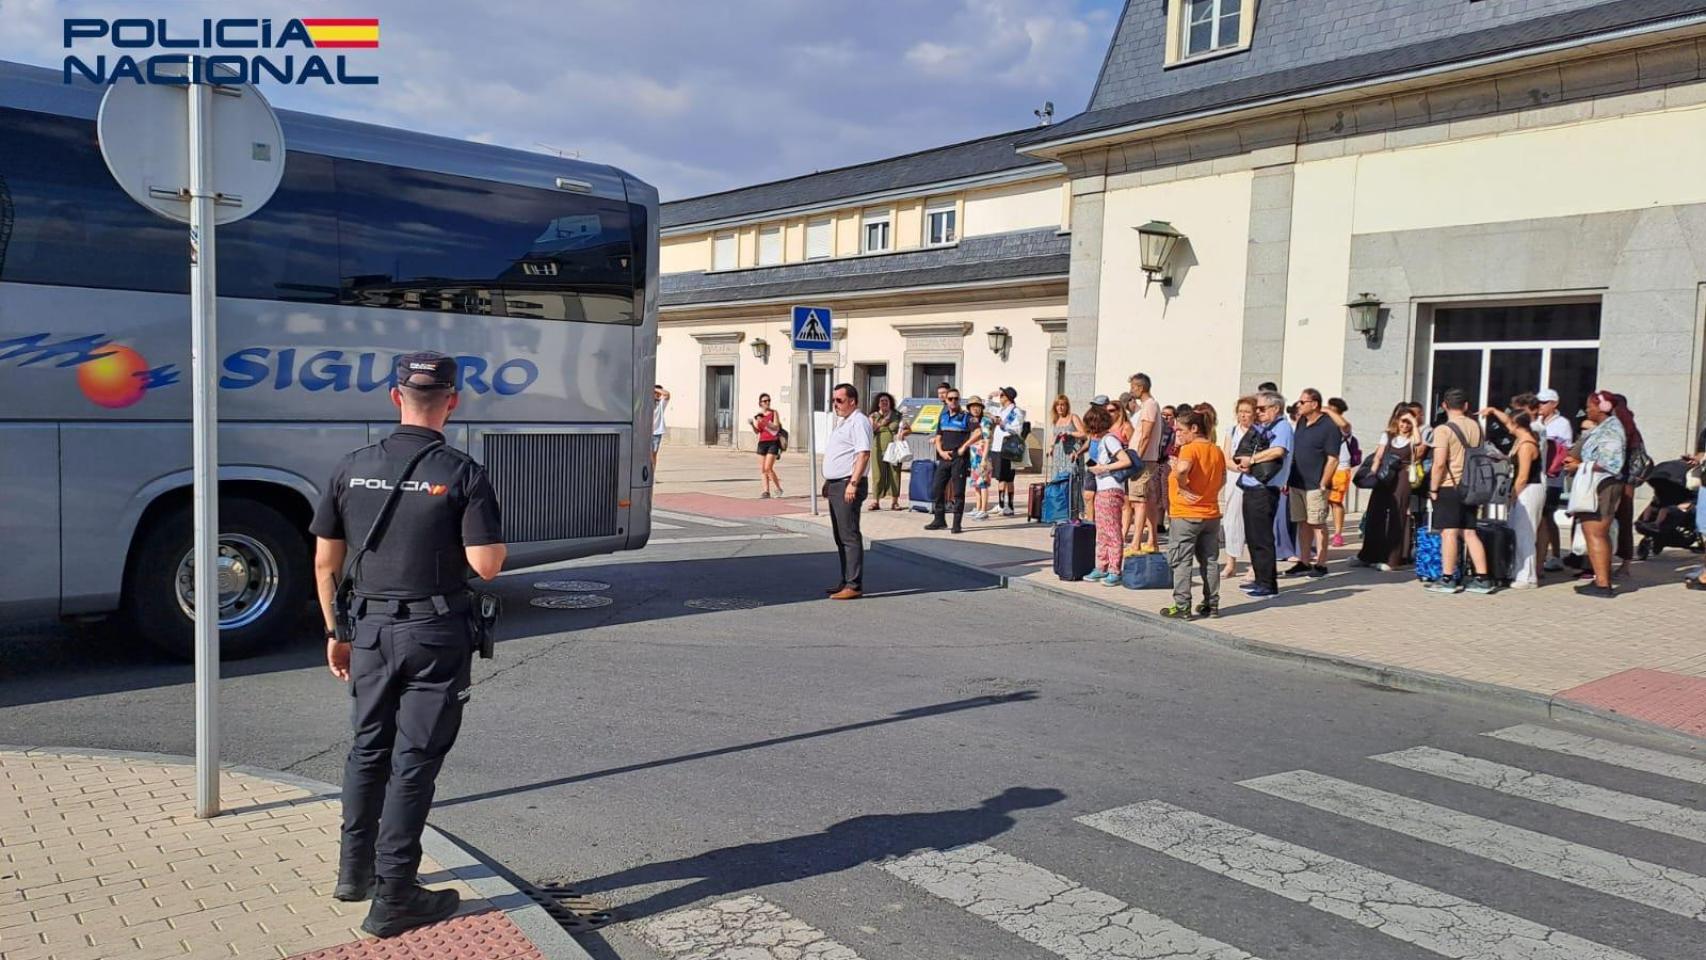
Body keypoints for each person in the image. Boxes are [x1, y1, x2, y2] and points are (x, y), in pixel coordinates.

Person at [310, 352, 506, 938]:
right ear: (453, 401)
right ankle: (395, 896)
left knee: (367, 747)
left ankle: (354, 872)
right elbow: (487, 565)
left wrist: (335, 633)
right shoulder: (463, 471)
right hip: (434, 633)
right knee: (414, 761)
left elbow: (325, 563)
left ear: (395, 398)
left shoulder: (351, 468)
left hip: (367, 630)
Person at [1427, 388, 1494, 595]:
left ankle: (1448, 578)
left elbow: (1439, 463)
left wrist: (1433, 488)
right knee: (1470, 532)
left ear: (1444, 406)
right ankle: (1482, 578)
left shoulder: (1443, 430)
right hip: (1472, 484)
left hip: (1450, 484)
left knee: (1449, 532)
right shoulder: (1476, 427)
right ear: (1466, 406)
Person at [1160, 410, 1226, 619]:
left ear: (1194, 429)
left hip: (1186, 515)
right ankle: (1211, 604)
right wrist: (1209, 493)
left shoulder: (1189, 449)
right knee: (1210, 560)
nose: (1177, 433)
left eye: (1181, 429)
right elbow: (1223, 477)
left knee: (1182, 561)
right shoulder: (1216, 450)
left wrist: (1182, 486)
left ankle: (1182, 606)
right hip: (1211, 514)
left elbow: (1182, 470)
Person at [1564, 390, 1629, 597]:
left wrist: (1580, 465)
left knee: (1596, 534)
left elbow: (1612, 462)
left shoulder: (1611, 430)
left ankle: (1603, 584)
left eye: (1589, 406)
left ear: (1602, 408)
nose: (1586, 410)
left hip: (1603, 487)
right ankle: (1601, 580)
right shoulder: (1604, 427)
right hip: (1598, 485)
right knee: (1594, 534)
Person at [1233, 391, 1292, 599]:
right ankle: (1259, 579)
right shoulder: (1264, 427)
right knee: (1253, 537)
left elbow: (1278, 451)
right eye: (1256, 409)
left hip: (1264, 490)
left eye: (1261, 408)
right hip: (1251, 487)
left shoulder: (1282, 426)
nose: (1258, 412)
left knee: (1262, 538)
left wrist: (1253, 459)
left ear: (1275, 408)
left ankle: (1268, 584)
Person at [1483, 402, 1543, 587]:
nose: (1507, 428)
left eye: (1510, 425)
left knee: (1525, 532)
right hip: (1523, 489)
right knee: (1517, 531)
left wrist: (1513, 496)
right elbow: (1508, 419)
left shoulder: (1526, 445)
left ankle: (1528, 576)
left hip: (1528, 490)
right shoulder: (1522, 439)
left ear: (1517, 426)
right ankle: (1518, 570)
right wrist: (1493, 411)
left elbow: (1523, 475)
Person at [822, 383, 873, 600]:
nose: (835, 405)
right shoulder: (844, 422)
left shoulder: (859, 421)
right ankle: (845, 579)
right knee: (839, 535)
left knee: (849, 535)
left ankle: (854, 584)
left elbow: (863, 454)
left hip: (848, 484)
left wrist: (853, 483)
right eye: (833, 401)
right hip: (836, 483)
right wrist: (828, 481)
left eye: (839, 401)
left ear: (852, 401)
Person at [1356, 404, 1420, 571]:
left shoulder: (1412, 438)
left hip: (1402, 477)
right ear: (1397, 421)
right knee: (1375, 513)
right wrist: (1372, 474)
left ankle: (1392, 558)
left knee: (1397, 516)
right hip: (1385, 475)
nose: (1405, 425)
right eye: (1402, 421)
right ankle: (1369, 555)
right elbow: (1378, 456)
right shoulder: (1388, 435)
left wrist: (1414, 421)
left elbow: (1419, 444)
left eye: (1408, 422)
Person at [1285, 388, 1340, 578]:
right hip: (1297, 482)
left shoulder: (1329, 427)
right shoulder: (1301, 422)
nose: (1298, 405)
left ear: (1314, 404)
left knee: (1317, 524)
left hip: (1316, 485)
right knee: (1302, 523)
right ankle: (1304, 561)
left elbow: (1333, 458)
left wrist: (1324, 482)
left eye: (1302, 402)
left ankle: (1321, 563)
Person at [1081, 405, 1132, 585]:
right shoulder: (1102, 440)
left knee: (1112, 530)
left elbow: (1125, 461)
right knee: (1102, 531)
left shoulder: (1110, 439)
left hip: (1111, 488)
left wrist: (1103, 468)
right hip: (1102, 487)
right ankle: (1101, 566)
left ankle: (1114, 569)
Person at [925, 388, 981, 534]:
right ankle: (939, 519)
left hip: (959, 459)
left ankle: (957, 524)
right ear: (946, 401)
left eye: (956, 398)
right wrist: (941, 451)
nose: (953, 401)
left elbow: (978, 433)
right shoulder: (943, 417)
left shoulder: (966, 417)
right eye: (950, 399)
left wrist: (964, 447)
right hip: (945, 457)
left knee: (958, 492)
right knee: (937, 488)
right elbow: (938, 437)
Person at [1535, 388, 1573, 573]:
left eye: (1544, 402)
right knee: (1541, 517)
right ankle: (1542, 555)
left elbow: (1562, 451)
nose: (1540, 406)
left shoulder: (1562, 424)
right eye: (1539, 402)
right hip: (1538, 476)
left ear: (1554, 404)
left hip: (1552, 479)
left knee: (1547, 516)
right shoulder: (1537, 422)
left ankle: (1555, 555)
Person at [1610, 393, 1646, 578]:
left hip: (1622, 480)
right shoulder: (1627, 424)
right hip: (1624, 480)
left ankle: (1623, 563)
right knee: (1621, 520)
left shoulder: (1621, 425)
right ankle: (1623, 563)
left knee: (1620, 519)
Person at [1127, 373, 1164, 554]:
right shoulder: (1149, 406)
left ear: (1140, 387)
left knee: (1139, 501)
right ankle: (1153, 541)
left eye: (1133, 386)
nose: (1131, 390)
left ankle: (1136, 543)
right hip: (1146, 459)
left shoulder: (1149, 406)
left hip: (1144, 460)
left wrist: (1137, 458)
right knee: (1148, 501)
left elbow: (1146, 434)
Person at [1219, 397, 1253, 581]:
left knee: (1253, 523)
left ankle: (1254, 565)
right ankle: (1230, 563)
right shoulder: (1231, 431)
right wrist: (1237, 467)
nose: (1243, 415)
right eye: (1241, 411)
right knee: (1231, 520)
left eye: (1247, 411)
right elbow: (1226, 457)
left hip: (1253, 479)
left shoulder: (1259, 433)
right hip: (1235, 478)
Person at [1323, 398, 1354, 547]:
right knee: (1321, 501)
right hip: (1323, 468)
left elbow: (1345, 425)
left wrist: (1328, 411)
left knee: (1335, 502)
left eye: (1331, 409)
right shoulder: (1324, 426)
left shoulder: (1343, 427)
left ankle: (1338, 533)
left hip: (1340, 468)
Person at [990, 387, 1026, 516]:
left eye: (1002, 395)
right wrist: (990, 396)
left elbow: (1017, 429)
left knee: (1008, 478)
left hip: (1008, 448)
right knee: (1000, 477)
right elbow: (987, 408)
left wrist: (1003, 424)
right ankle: (1000, 504)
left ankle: (1009, 506)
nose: (1000, 397)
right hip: (997, 447)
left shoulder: (1016, 411)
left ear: (1008, 397)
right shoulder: (1001, 410)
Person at [867, 392, 902, 512]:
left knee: (894, 474)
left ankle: (895, 501)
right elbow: (872, 429)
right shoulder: (873, 416)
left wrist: (902, 434)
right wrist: (883, 422)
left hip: (894, 447)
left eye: (886, 401)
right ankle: (875, 500)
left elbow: (906, 428)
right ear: (878, 403)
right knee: (878, 475)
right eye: (882, 401)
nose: (884, 403)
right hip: (878, 447)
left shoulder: (897, 415)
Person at [966, 398, 994, 520]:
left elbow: (987, 440)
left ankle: (983, 509)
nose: (975, 409)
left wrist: (984, 458)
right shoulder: (973, 421)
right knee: (976, 484)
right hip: (974, 457)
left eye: (978, 406)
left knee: (983, 484)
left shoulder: (985, 421)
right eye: (972, 407)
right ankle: (977, 507)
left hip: (982, 456)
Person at [752, 394, 784, 499]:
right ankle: (766, 491)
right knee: (763, 469)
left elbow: (776, 427)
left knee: (768, 468)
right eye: (765, 401)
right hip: (762, 443)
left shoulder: (774, 413)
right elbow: (757, 431)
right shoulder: (758, 416)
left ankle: (779, 488)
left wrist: (764, 421)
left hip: (773, 442)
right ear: (760, 403)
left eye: (768, 400)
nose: (767, 403)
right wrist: (752, 424)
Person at [1049, 394, 1086, 482]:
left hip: (1071, 453)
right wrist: (1051, 447)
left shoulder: (1073, 417)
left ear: (1067, 406)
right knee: (1058, 479)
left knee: (1071, 479)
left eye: (1062, 405)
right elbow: (1054, 436)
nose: (1060, 407)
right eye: (1057, 405)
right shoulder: (1056, 420)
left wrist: (1070, 433)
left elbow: (1084, 434)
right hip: (1058, 454)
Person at [650, 385, 670, 470]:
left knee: (654, 454)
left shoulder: (661, 404)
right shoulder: (647, 403)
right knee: (649, 454)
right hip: (646, 432)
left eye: (659, 393)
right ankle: (649, 474)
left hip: (657, 432)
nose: (658, 395)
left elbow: (667, 394)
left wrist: (654, 388)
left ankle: (652, 473)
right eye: (656, 393)